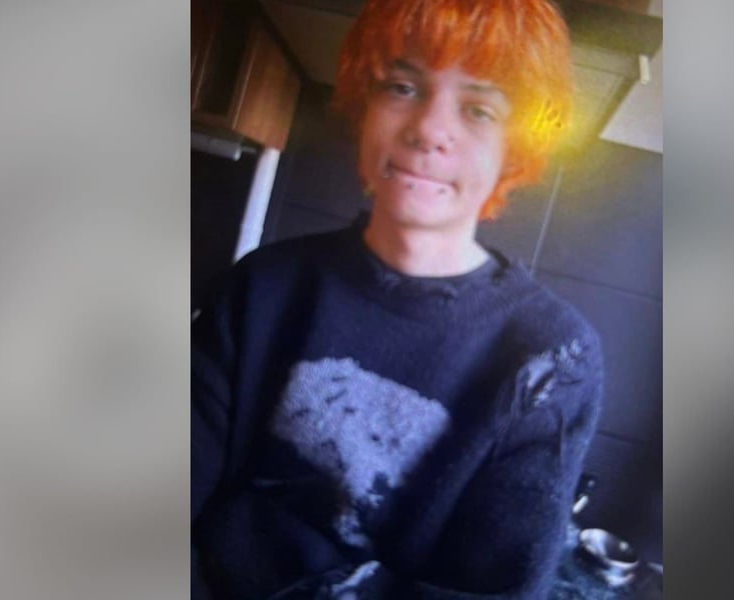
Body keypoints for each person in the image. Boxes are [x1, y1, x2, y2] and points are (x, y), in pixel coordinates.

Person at [192, 0, 603, 597]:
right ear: (365, 106)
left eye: (479, 110)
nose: (430, 130)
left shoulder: (551, 359)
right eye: (403, 87)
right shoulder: (263, 288)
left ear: (514, 150)